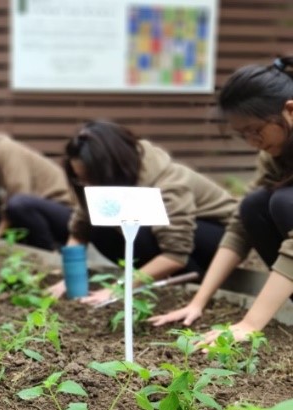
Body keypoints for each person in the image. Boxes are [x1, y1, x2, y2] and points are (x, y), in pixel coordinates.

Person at [149, 57, 293, 343]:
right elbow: (241, 225)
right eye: (243, 134)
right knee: (253, 205)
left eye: (256, 130)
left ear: (290, 110)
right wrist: (198, 302)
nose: (252, 141)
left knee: (283, 202)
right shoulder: (274, 155)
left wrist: (250, 324)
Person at [47, 120, 237, 303]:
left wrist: (117, 289)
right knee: (100, 223)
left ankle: (192, 279)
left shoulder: (170, 183)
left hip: (219, 238)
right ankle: (154, 276)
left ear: (112, 170)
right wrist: (72, 280)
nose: (89, 186)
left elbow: (175, 255)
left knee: (138, 229)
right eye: (81, 180)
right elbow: (79, 232)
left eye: (92, 179)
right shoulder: (101, 186)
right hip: (168, 241)